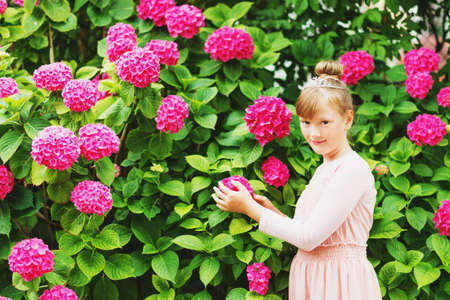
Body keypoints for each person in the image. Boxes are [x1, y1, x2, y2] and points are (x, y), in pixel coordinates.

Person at [212, 60, 382, 300]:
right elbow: (310, 235)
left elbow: (309, 238)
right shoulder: (326, 168)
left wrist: (249, 209)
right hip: (316, 277)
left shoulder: (352, 170)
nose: (314, 133)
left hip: (339, 282)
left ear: (347, 120)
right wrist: (272, 212)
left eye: (324, 122)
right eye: (306, 122)